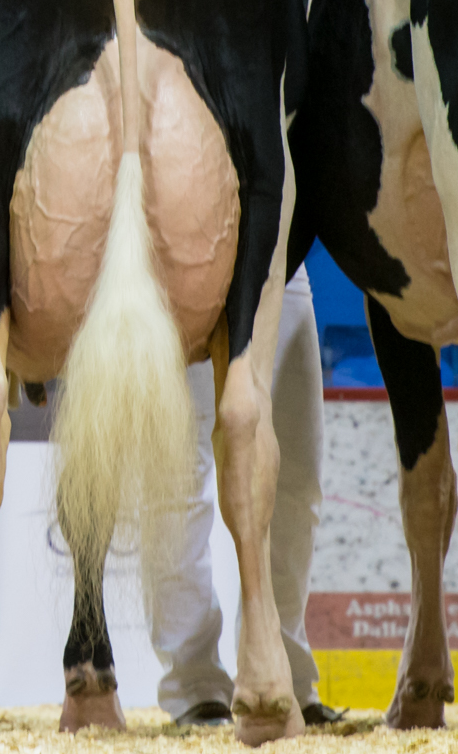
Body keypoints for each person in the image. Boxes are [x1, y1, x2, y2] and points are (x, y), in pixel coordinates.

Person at [136, 268, 337, 726]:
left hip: (280, 265)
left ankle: (285, 666)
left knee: (298, 476)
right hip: (185, 253)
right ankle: (193, 682)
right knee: (176, 478)